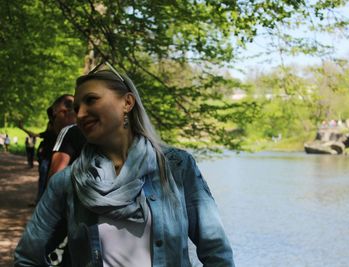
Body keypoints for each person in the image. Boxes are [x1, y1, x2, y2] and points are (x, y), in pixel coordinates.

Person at [15, 62, 234, 266]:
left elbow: (216, 252)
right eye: (77, 107)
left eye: (91, 100)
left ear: (127, 103)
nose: (80, 114)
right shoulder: (68, 182)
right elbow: (27, 257)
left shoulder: (176, 166)